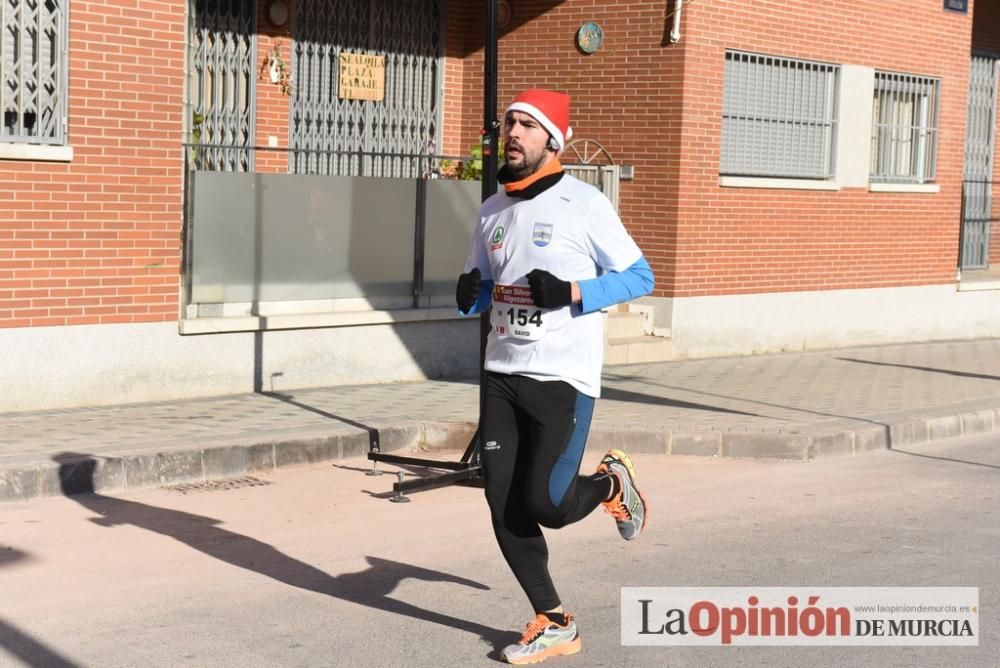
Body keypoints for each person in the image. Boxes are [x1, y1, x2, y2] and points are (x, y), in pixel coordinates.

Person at [455, 89, 655, 665]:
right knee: (502, 501)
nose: (512, 133)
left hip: (562, 375)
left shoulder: (583, 203)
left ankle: (612, 484)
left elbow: (640, 276)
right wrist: (471, 295)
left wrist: (572, 292)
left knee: (546, 502)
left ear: (552, 140)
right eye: (508, 123)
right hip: (502, 370)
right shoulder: (493, 208)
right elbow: (485, 287)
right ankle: (554, 619)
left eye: (526, 125)